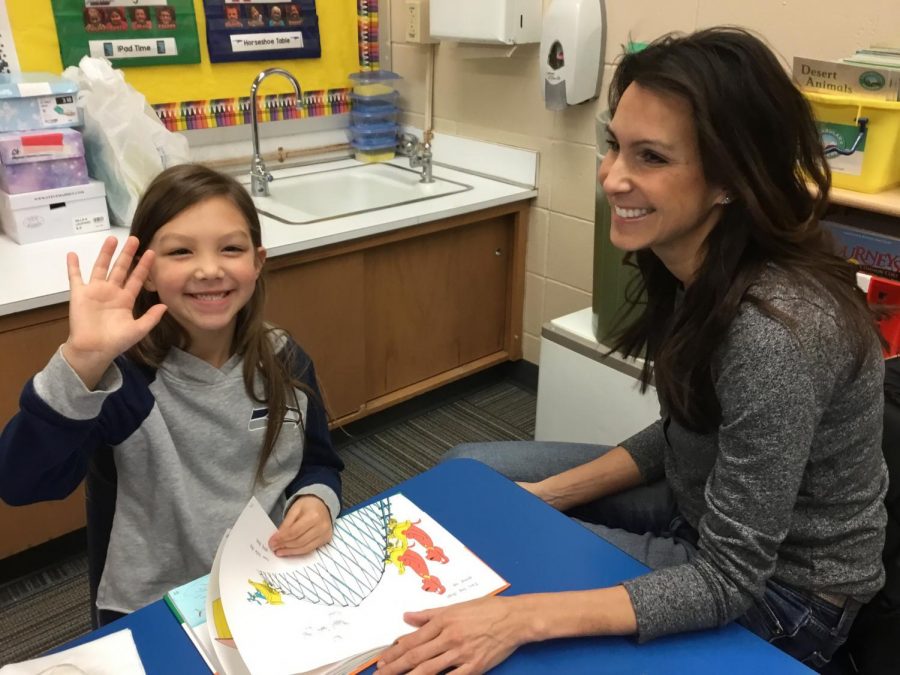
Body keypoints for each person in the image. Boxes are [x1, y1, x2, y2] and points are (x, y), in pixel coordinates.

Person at [374, 27, 888, 675]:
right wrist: (549, 494)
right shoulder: (696, 262)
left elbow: (731, 577)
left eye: (650, 157)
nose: (613, 177)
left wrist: (522, 614)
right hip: (698, 506)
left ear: (730, 179)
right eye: (615, 146)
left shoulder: (777, 329)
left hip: (784, 591)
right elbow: (687, 427)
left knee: (495, 560)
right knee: (471, 472)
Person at [0, 165, 343, 626]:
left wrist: (317, 499)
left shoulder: (284, 359)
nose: (209, 269)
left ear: (257, 263)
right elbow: (20, 482)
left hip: (265, 578)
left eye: (231, 249)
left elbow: (318, 461)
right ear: (147, 272)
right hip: (155, 605)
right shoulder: (120, 382)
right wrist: (81, 363)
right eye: (181, 251)